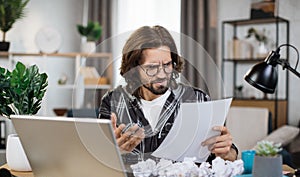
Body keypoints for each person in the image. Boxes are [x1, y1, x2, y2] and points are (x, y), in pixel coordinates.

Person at [99, 25, 238, 162]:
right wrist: (115, 152)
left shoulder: (197, 99)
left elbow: (227, 156)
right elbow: (98, 158)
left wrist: (226, 152)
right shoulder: (113, 101)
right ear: (134, 68)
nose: (162, 74)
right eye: (151, 67)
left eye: (167, 65)